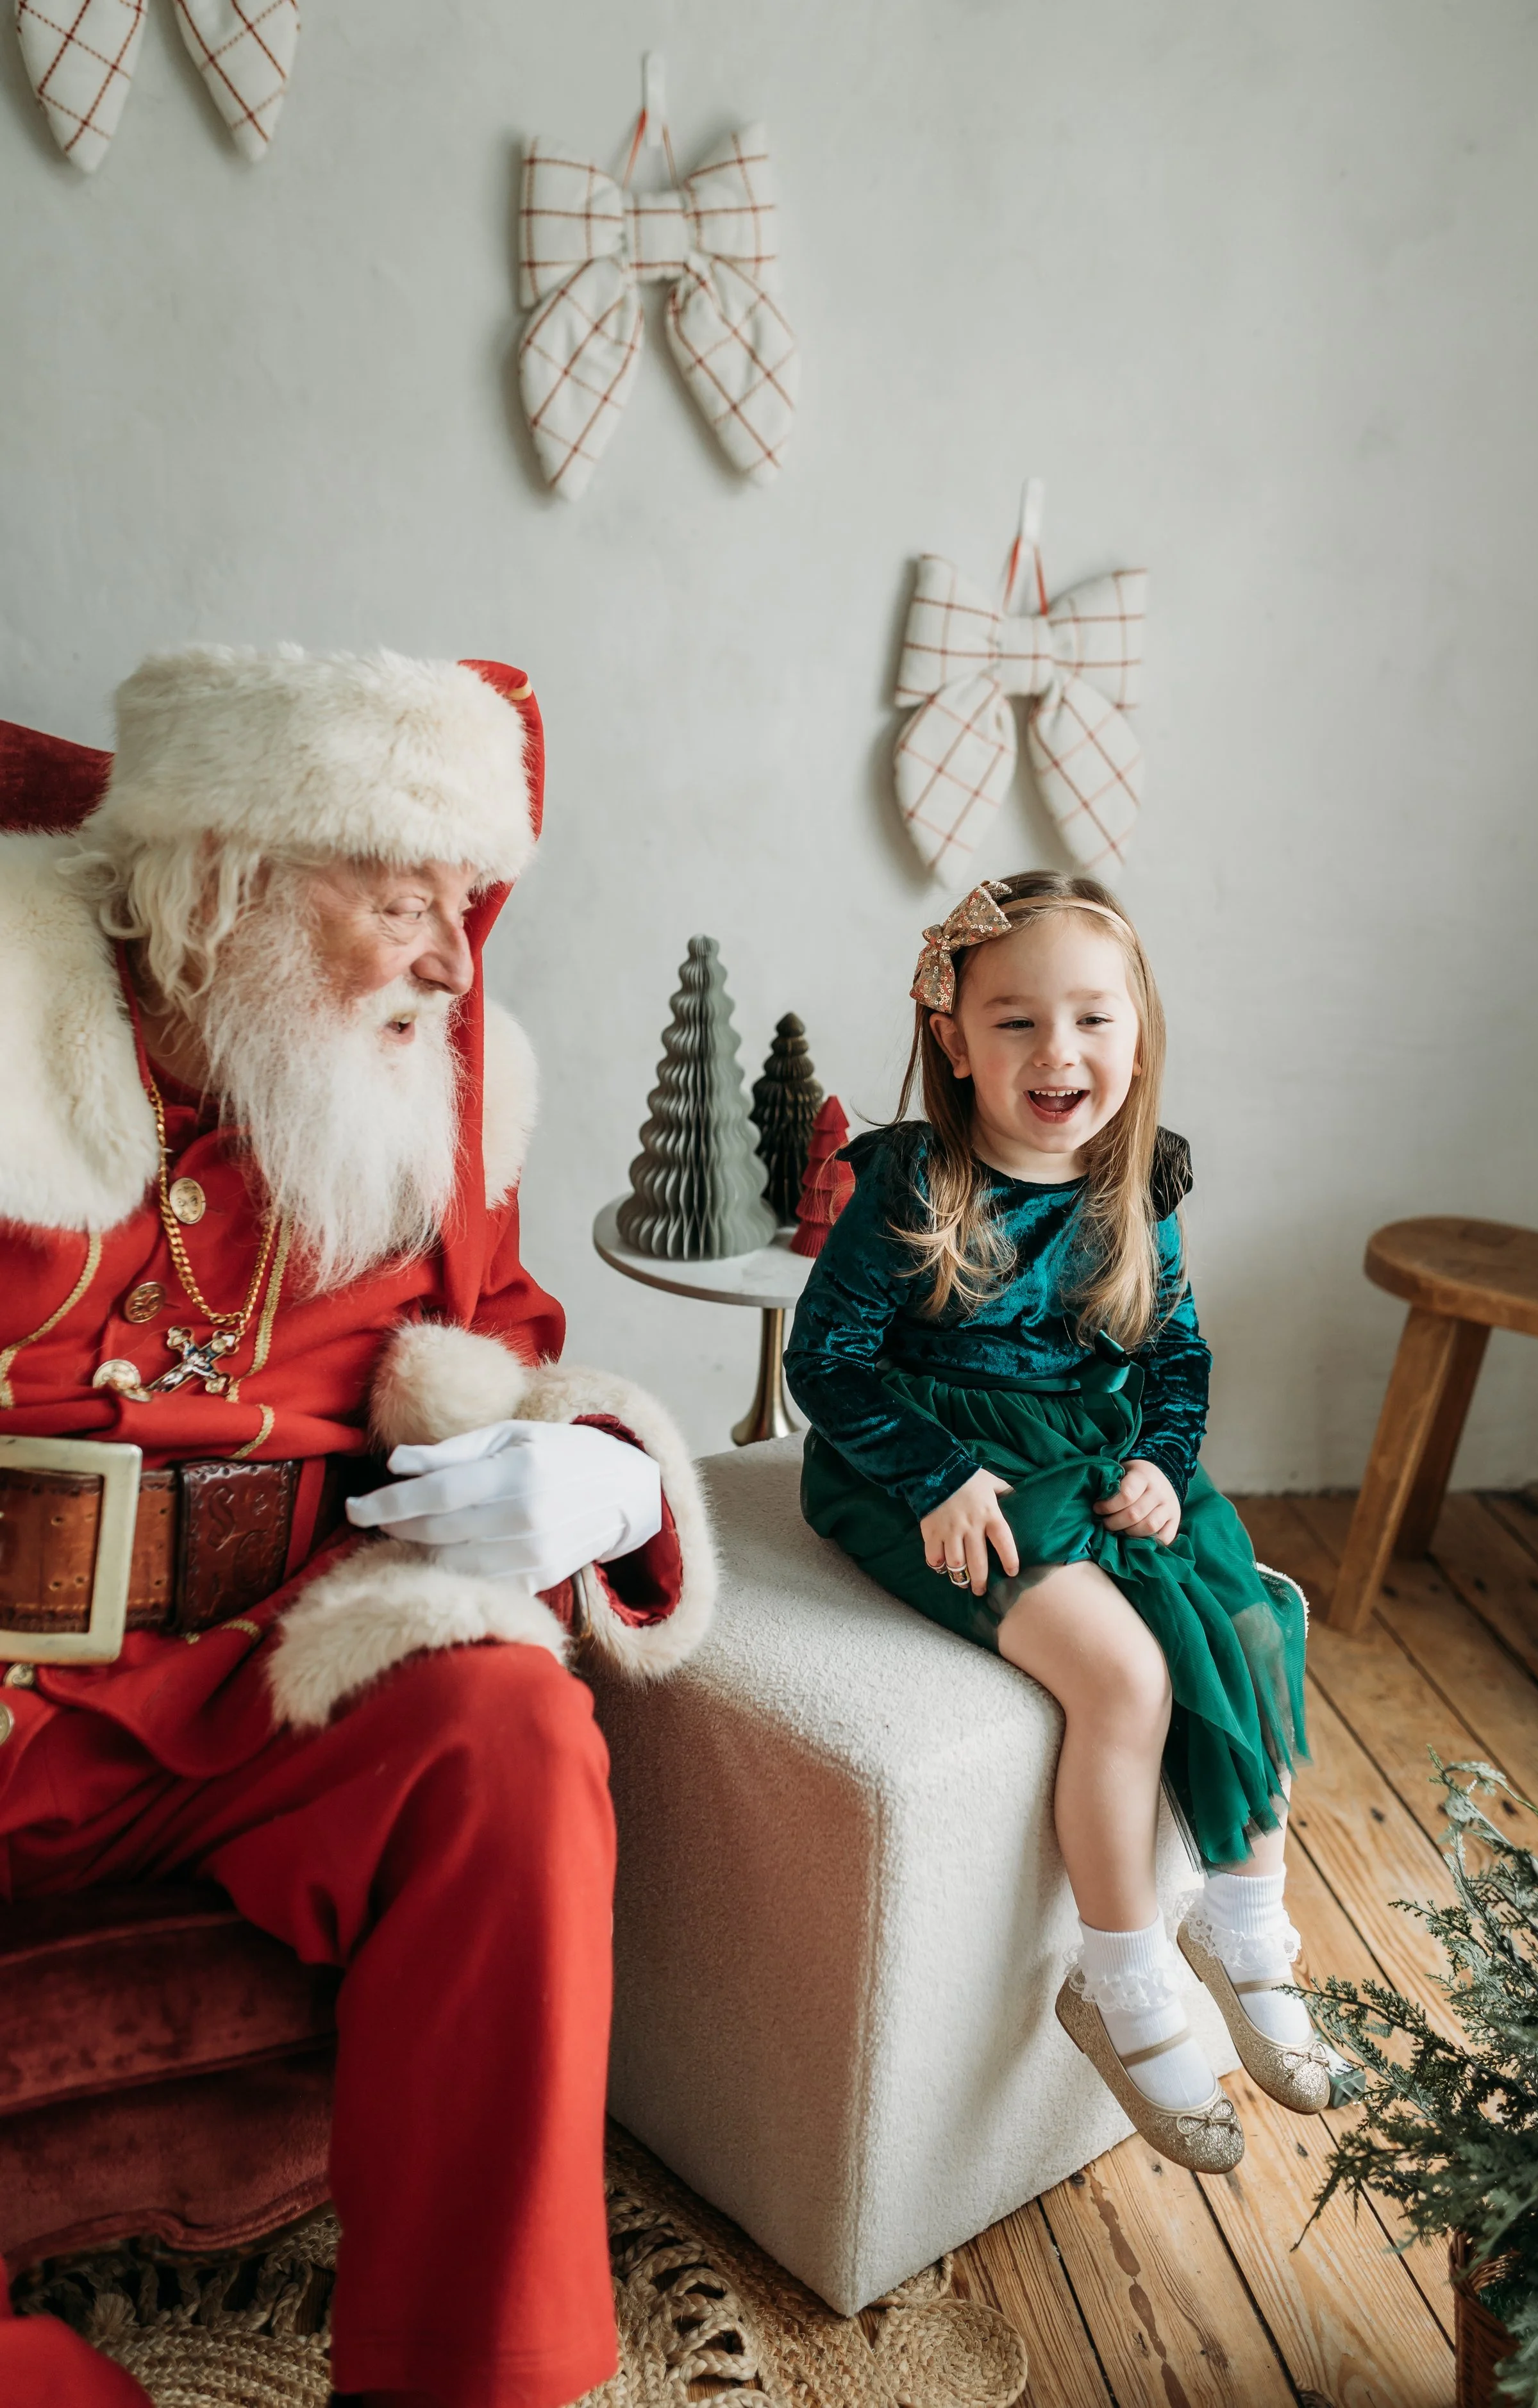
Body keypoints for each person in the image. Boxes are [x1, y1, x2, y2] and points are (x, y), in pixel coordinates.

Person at [0, 646, 715, 2407]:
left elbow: (519, 1347)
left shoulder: (433, 1085)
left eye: (461, 903)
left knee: (511, 1731)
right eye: (401, 899)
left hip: (257, 1689)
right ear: (220, 881)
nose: (450, 958)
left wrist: (609, 1476)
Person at [785, 870, 1350, 2177]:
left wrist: (1159, 1458)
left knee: (1251, 1620)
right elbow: (825, 1366)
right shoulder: (914, 1182)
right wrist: (929, 1474)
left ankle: (1245, 1923)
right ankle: (1120, 1978)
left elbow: (1176, 1361)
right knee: (1120, 1675)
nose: (1059, 1054)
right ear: (953, 1037)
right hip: (921, 1461)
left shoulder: (1136, 1182)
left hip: (1085, 1449)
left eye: (1093, 1019)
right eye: (1017, 1022)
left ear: (1137, 1032)